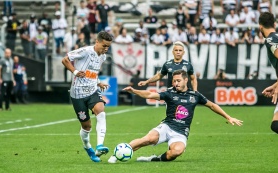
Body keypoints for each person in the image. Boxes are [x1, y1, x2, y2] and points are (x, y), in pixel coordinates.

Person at [108, 69, 243, 163]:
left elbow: (212, 105)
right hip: (167, 126)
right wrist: (134, 91)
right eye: (174, 81)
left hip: (181, 133)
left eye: (178, 81)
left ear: (186, 80)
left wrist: (228, 117)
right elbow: (150, 95)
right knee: (148, 139)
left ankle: (153, 159)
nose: (175, 83)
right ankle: (117, 154)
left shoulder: (194, 96)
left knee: (176, 152)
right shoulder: (169, 93)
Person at [61, 31, 113, 162]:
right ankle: (88, 147)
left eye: (108, 47)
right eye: (104, 46)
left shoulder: (103, 57)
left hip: (92, 91)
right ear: (97, 42)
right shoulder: (85, 51)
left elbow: (93, 72)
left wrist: (98, 82)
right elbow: (65, 59)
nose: (106, 49)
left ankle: (100, 145)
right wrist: (75, 71)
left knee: (101, 112)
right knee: (86, 126)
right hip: (77, 94)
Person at [259, 12, 278, 134]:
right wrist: (275, 85)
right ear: (274, 24)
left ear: (260, 26)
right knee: (275, 124)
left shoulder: (271, 39)